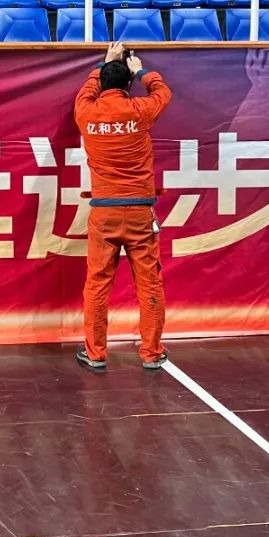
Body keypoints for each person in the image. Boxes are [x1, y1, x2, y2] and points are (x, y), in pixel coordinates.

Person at [73, 41, 173, 371]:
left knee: (97, 284)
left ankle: (96, 353)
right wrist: (141, 71)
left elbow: (86, 92)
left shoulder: (86, 112)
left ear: (102, 82)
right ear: (129, 83)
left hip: (104, 214)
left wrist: (103, 64)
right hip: (141, 213)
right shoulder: (140, 110)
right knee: (149, 283)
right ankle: (152, 353)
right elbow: (163, 92)